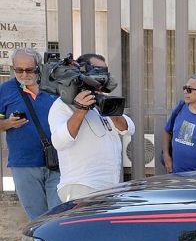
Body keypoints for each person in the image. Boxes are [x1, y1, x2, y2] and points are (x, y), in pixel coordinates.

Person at [48, 53, 135, 202]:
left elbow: (128, 129)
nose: (102, 76)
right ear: (82, 72)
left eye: (104, 71)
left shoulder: (101, 100)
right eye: (97, 70)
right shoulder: (62, 105)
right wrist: (81, 109)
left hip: (109, 188)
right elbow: (59, 142)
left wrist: (111, 109)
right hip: (81, 188)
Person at [0, 48, 62, 219]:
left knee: (58, 215)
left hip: (59, 161)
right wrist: (8, 123)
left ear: (39, 66)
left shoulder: (54, 87)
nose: (24, 74)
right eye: (19, 70)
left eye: (29, 69)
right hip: (24, 164)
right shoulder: (5, 90)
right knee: (37, 218)